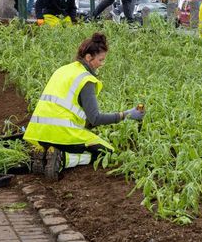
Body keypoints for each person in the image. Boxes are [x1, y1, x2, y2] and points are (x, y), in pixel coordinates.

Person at [23, 32, 145, 180]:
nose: (102, 64)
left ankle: (44, 152)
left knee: (83, 139)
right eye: (100, 60)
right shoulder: (86, 80)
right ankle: (63, 158)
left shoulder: (63, 70)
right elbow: (95, 118)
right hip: (63, 135)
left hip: (40, 134)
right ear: (88, 58)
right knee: (106, 152)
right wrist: (126, 115)